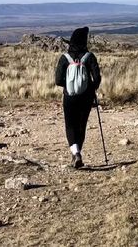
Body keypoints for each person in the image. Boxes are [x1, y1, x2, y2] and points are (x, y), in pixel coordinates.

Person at [55, 27, 101, 169]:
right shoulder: (89, 56)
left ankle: (76, 153)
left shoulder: (65, 58)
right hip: (86, 97)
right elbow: (97, 78)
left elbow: (57, 80)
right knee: (81, 126)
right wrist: (90, 88)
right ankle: (77, 153)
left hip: (69, 97)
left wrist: (68, 86)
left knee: (70, 125)